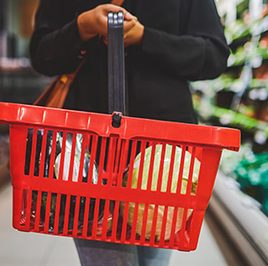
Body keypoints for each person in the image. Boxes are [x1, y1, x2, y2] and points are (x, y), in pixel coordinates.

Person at [30, 0, 229, 265]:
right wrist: (82, 27)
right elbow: (41, 54)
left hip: (164, 159)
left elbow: (214, 55)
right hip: (89, 155)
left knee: (153, 258)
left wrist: (146, 38)